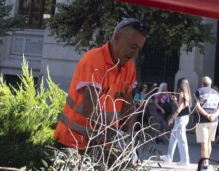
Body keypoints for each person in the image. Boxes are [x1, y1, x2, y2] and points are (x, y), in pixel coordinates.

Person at [54, 17, 148, 150]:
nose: (134, 53)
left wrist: (128, 140)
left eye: (138, 48)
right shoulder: (94, 60)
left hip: (102, 146)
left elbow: (128, 108)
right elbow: (90, 110)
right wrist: (117, 136)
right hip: (72, 144)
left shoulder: (129, 67)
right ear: (117, 37)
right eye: (133, 46)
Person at [193, 75, 219, 171]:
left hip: (202, 120)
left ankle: (205, 164)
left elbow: (196, 105)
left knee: (204, 143)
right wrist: (214, 115)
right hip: (214, 121)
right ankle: (207, 162)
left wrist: (206, 114)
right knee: (209, 142)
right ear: (210, 84)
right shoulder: (216, 93)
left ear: (202, 83)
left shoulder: (199, 91)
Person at [166, 78, 193, 166]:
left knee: (181, 139)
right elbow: (181, 106)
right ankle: (169, 157)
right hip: (183, 118)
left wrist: (172, 118)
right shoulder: (187, 94)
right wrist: (175, 101)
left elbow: (180, 108)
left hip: (181, 118)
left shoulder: (182, 93)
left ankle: (184, 160)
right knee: (174, 137)